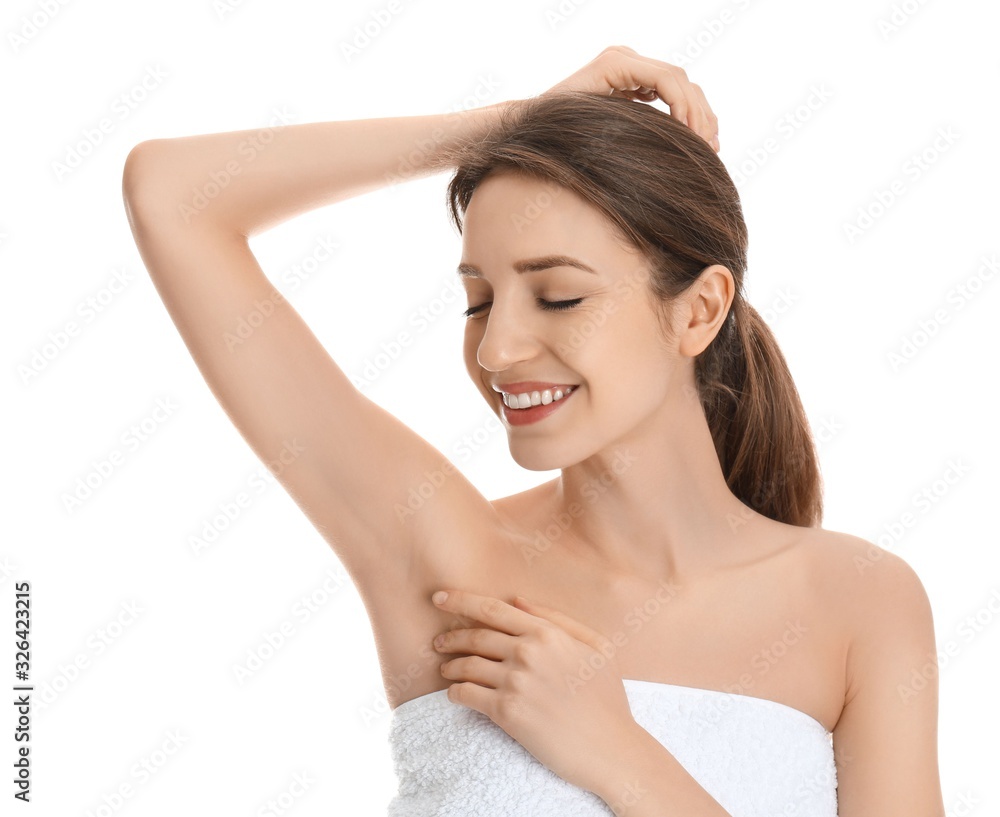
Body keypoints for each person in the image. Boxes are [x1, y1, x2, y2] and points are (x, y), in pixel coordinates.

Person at [121, 46, 944, 816]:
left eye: (558, 296)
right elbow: (171, 195)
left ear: (699, 310)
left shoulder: (859, 602)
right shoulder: (447, 560)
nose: (498, 348)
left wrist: (620, 754)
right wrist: (514, 126)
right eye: (478, 301)